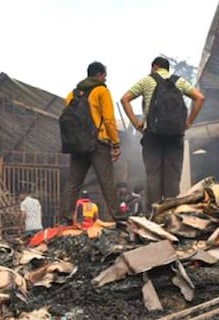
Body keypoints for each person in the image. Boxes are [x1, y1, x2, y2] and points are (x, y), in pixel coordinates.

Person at [120, 56, 206, 204]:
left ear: (154, 67)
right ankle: (170, 213)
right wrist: (189, 122)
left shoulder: (147, 81)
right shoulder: (178, 81)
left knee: (153, 174)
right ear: (167, 68)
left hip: (152, 135)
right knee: (173, 175)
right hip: (175, 134)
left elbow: (125, 99)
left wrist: (136, 123)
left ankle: (155, 212)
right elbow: (200, 98)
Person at [62, 62, 122, 222]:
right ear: (99, 75)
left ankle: (67, 217)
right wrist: (115, 143)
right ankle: (117, 217)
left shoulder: (72, 94)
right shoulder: (101, 91)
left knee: (74, 181)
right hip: (98, 142)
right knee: (106, 181)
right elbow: (109, 120)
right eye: (105, 75)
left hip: (77, 144)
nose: (106, 78)